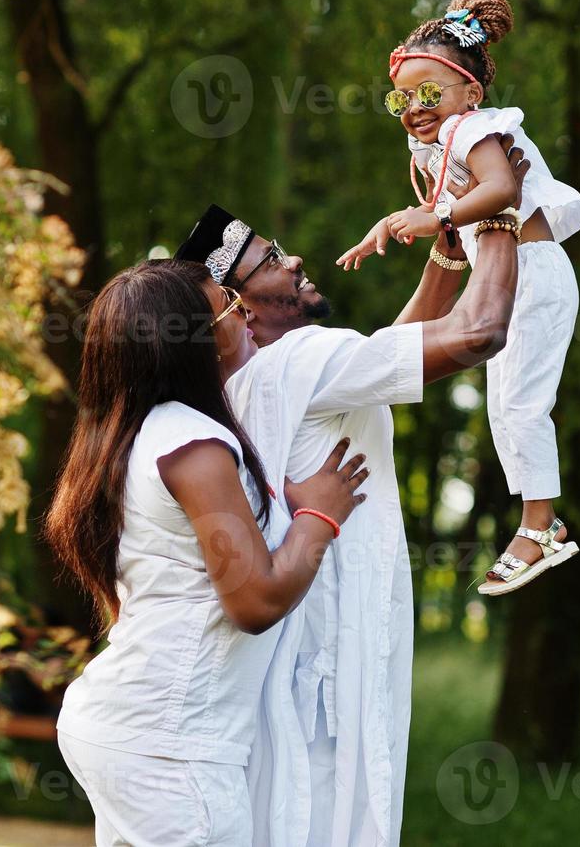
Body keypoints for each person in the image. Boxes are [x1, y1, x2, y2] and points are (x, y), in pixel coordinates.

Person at [173, 149, 525, 846]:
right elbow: (478, 333)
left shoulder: (250, 384)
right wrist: (502, 213)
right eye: (273, 259)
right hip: (329, 678)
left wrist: (443, 260)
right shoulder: (301, 361)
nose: (296, 260)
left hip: (295, 673)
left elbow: (379, 362)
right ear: (239, 303)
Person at [44, 260, 370, 846]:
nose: (243, 310)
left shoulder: (139, 435)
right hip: (167, 745)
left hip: (129, 727)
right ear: (188, 342)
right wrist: (319, 518)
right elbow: (255, 600)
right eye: (227, 304)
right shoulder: (194, 445)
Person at [337, 0, 580, 597]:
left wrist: (440, 218)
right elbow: (438, 211)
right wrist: (392, 225)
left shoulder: (478, 128)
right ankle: (536, 520)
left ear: (471, 93)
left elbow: (501, 189)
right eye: (402, 97)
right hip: (510, 276)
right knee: (504, 409)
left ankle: (541, 525)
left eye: (431, 92)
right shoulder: (437, 145)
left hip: (532, 268)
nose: (415, 108)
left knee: (522, 407)